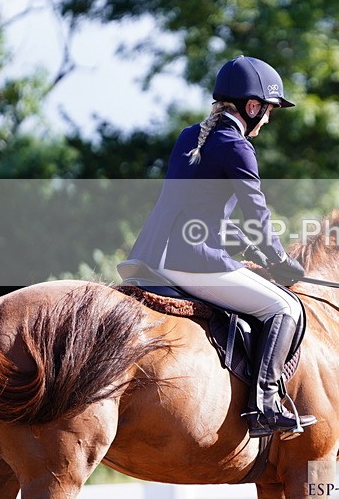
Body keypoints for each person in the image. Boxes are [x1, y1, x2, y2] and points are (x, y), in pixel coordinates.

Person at [127, 55, 317, 438]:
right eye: (267, 112)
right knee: (285, 307)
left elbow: (200, 209)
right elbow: (258, 215)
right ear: (252, 107)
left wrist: (248, 247)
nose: (266, 121)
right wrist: (280, 261)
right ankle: (264, 404)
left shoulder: (189, 136)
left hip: (154, 257)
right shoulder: (237, 147)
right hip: (196, 263)